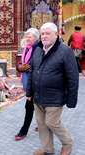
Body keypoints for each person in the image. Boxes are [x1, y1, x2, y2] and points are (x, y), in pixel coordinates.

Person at [26, 22, 79, 155]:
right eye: (42, 33)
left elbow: (73, 78)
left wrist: (71, 100)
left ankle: (67, 142)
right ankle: (47, 149)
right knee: (42, 125)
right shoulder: (38, 49)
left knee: (51, 122)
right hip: (38, 96)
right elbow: (32, 71)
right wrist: (29, 92)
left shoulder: (65, 51)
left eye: (48, 33)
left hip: (55, 96)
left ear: (56, 34)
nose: (44, 36)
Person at [14, 28, 39, 140]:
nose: (27, 39)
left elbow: (39, 65)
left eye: (30, 37)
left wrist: (29, 68)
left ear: (36, 38)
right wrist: (19, 68)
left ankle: (24, 130)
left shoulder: (38, 49)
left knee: (30, 105)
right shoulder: (27, 48)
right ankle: (43, 123)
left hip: (36, 82)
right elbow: (22, 63)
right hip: (28, 80)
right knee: (37, 105)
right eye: (27, 37)